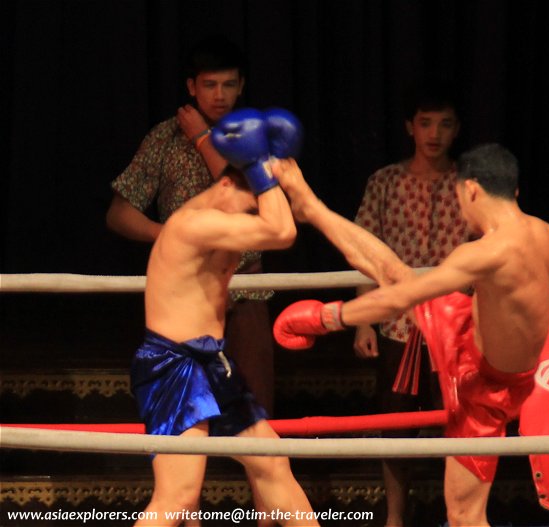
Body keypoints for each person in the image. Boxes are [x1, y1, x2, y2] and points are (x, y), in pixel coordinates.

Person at [269, 146, 549, 527]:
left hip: (483, 385)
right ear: (514, 192)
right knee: (398, 274)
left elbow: (400, 300)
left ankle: (312, 208)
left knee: (465, 516)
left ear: (472, 190)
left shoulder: (483, 254)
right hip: (482, 351)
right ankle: (312, 208)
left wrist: (328, 317)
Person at [131, 109, 318, 526]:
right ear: (230, 185)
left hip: (212, 362)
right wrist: (259, 169)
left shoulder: (225, 207)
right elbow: (284, 231)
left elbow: (288, 218)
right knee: (177, 499)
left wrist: (271, 167)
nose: (257, 214)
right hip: (174, 365)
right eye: (253, 202)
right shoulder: (196, 224)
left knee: (272, 464)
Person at [106, 35, 276, 418]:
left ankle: (257, 477)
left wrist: (202, 137)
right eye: (210, 85)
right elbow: (118, 213)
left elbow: (248, 194)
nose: (219, 95)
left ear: (241, 86)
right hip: (184, 291)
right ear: (191, 87)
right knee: (183, 413)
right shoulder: (164, 138)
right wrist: (167, 235)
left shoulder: (255, 136)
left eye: (228, 84)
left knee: (257, 410)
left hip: (244, 284)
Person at [352, 85, 468, 526]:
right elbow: (363, 254)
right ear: (410, 127)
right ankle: (395, 517)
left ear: (456, 130)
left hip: (455, 327)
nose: (434, 133)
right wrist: (363, 322)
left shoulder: (469, 185)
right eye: (425, 123)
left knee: (457, 425)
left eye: (444, 124)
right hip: (399, 325)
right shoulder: (385, 182)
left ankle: (456, 513)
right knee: (395, 426)